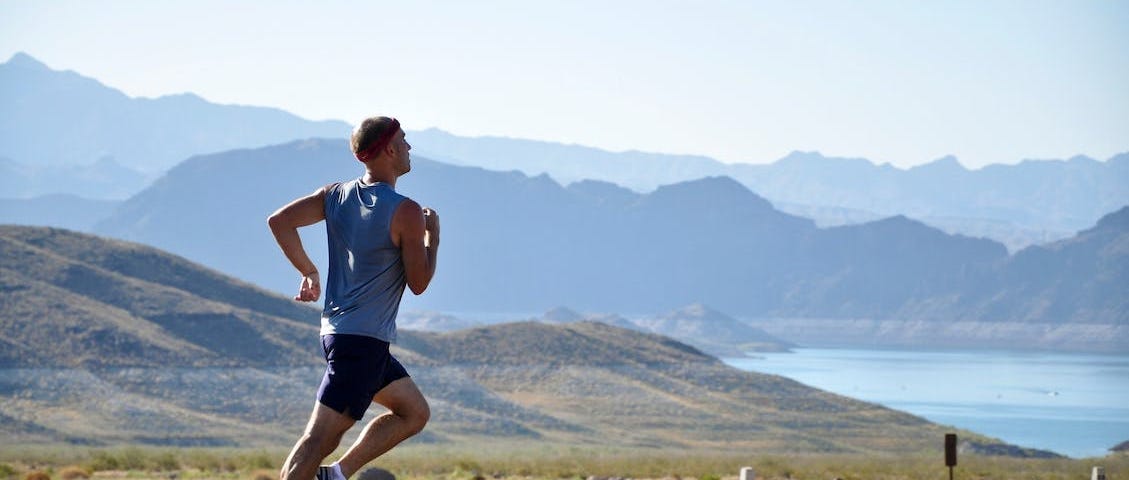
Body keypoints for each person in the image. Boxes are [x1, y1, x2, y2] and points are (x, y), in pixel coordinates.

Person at [267, 116, 439, 480]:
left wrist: (308, 271)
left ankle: (337, 474)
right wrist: (431, 241)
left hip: (348, 337)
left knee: (414, 412)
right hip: (360, 344)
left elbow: (280, 221)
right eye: (404, 140)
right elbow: (419, 282)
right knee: (317, 440)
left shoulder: (335, 196)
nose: (409, 147)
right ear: (390, 149)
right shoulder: (406, 211)